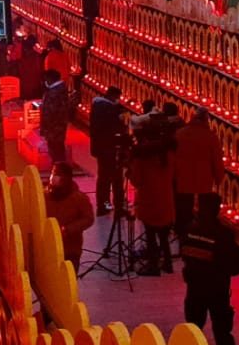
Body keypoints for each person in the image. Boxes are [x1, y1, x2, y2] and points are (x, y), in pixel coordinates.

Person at [179, 194, 239, 345]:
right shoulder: (223, 234)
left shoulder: (189, 229)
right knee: (222, 331)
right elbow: (234, 267)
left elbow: (184, 254)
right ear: (217, 209)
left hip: (194, 288)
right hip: (216, 289)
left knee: (193, 329)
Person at [130, 103, 179, 276]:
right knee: (164, 236)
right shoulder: (169, 154)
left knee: (151, 236)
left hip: (149, 200)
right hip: (166, 199)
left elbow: (136, 180)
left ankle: (153, 266)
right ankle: (168, 263)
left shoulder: (143, 158)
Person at [173, 109, 224, 241]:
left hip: (183, 178)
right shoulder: (210, 137)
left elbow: (173, 157)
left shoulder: (180, 134)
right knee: (204, 209)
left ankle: (183, 236)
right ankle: (201, 235)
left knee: (184, 208)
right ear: (206, 120)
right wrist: (219, 177)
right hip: (204, 179)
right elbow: (217, 159)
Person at [43, 162, 95, 268]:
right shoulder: (44, 196)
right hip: (48, 248)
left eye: (57, 174)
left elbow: (88, 218)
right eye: (53, 173)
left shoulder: (79, 198)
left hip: (71, 249)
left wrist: (68, 229)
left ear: (66, 178)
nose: (53, 177)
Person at [88, 86, 129, 215]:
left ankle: (103, 205)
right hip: (111, 149)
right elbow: (116, 129)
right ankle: (118, 205)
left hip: (101, 149)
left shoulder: (97, 107)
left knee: (103, 178)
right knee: (116, 179)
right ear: (113, 96)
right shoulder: (110, 110)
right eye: (118, 97)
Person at [39, 69, 70, 165]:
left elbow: (51, 111)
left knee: (55, 147)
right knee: (56, 146)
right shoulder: (58, 90)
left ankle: (58, 166)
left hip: (54, 126)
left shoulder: (54, 92)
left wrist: (45, 126)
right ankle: (58, 164)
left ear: (50, 79)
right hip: (56, 125)